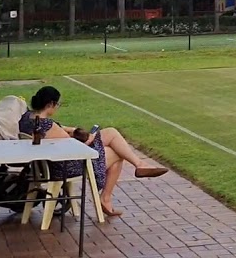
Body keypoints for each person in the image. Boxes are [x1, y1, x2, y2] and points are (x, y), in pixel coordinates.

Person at [19, 86, 168, 218]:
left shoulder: (28, 118)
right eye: (57, 104)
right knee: (117, 151)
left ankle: (137, 168)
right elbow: (74, 144)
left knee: (112, 139)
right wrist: (87, 137)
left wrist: (72, 130)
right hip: (64, 167)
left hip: (46, 165)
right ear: (50, 104)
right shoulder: (47, 125)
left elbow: (61, 131)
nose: (57, 107)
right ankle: (109, 196)